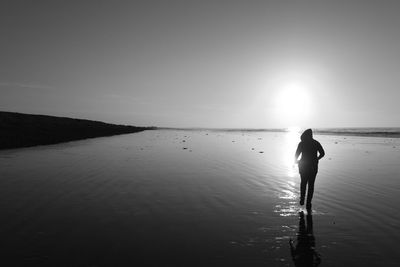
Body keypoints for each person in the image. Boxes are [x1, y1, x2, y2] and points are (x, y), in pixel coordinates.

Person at [294, 129, 325, 210]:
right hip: (313, 166)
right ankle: (308, 202)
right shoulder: (316, 143)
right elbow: (323, 153)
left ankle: (302, 199)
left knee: (303, 182)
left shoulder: (302, 143)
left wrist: (295, 161)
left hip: (303, 166)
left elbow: (296, 155)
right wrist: (317, 159)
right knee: (311, 185)